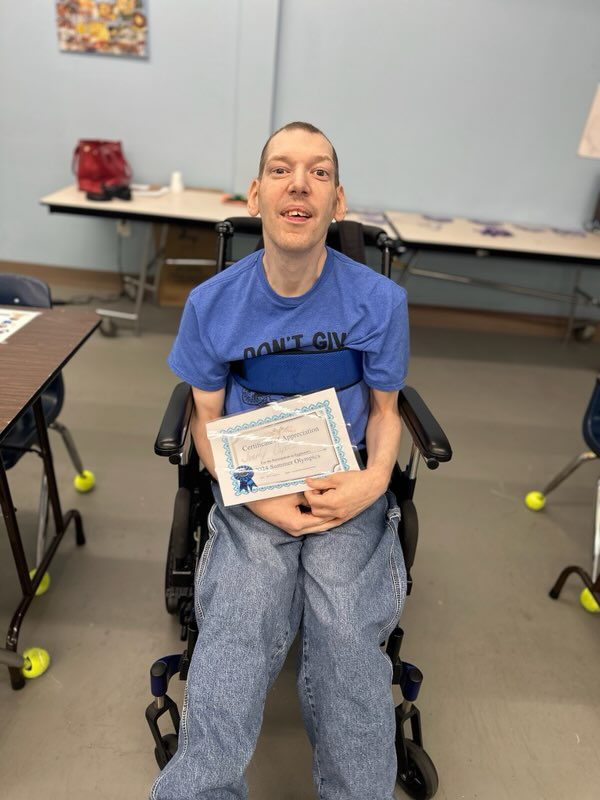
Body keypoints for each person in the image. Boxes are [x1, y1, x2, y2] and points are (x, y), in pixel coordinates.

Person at [150, 121, 410, 800]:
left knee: (346, 628)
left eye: (319, 172)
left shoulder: (379, 302)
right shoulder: (213, 305)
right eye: (282, 170)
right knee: (240, 620)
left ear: (337, 202)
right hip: (253, 481)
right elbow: (205, 420)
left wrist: (371, 484)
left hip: (344, 479)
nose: (299, 184)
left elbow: (387, 413)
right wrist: (254, 497)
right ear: (256, 194)